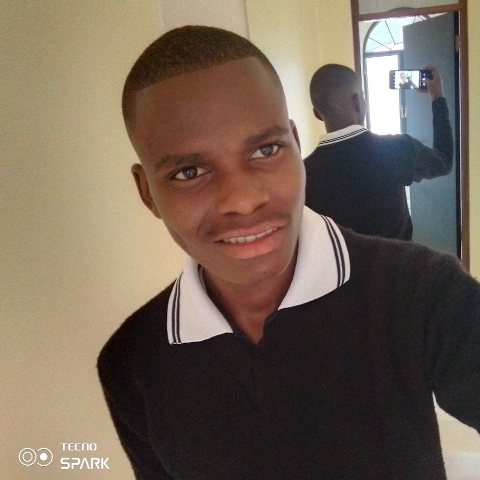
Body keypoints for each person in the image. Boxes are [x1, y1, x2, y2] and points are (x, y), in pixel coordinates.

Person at [97, 26, 479, 480]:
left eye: (266, 149)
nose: (242, 200)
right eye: (190, 172)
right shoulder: (132, 364)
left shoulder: (425, 294)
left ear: (297, 146)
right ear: (147, 192)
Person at [304, 63, 453, 240]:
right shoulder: (397, 148)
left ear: (317, 113)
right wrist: (437, 97)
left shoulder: (304, 173)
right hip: (400, 258)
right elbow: (444, 161)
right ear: (357, 102)